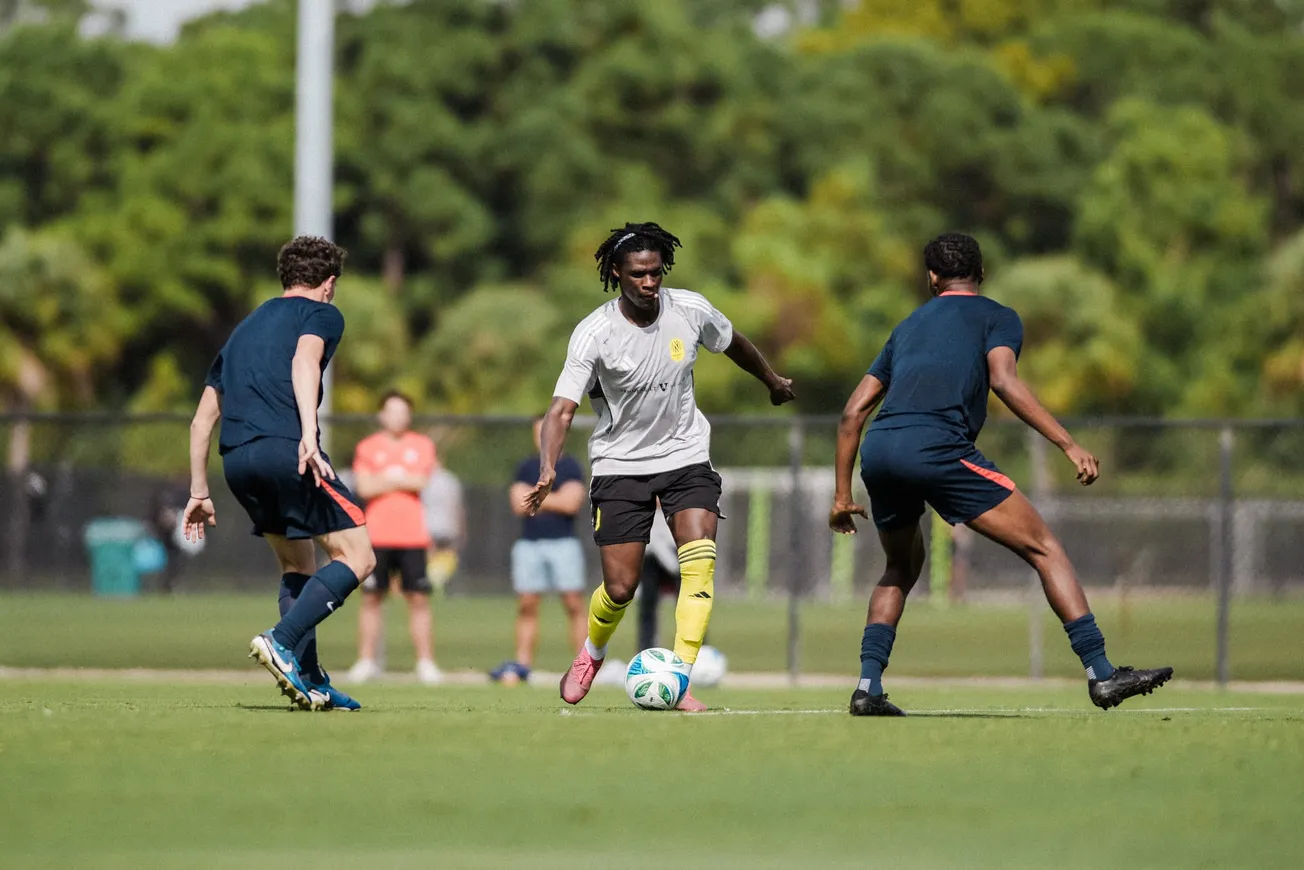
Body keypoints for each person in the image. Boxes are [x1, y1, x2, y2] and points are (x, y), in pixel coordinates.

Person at [828, 232, 1173, 716]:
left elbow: (851, 415)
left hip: (881, 451)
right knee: (1045, 548)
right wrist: (1067, 443)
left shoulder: (906, 328)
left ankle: (868, 687)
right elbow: (1004, 381)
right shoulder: (998, 316)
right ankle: (1101, 674)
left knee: (900, 567)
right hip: (937, 447)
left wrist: (842, 495)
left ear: (931, 278)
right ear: (981, 273)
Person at [523, 221, 795, 712]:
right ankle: (592, 652)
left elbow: (733, 341)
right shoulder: (595, 332)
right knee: (621, 587)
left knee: (699, 561)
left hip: (686, 454)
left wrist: (772, 380)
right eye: (638, 275)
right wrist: (548, 468)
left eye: (655, 273)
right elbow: (561, 409)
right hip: (619, 463)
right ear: (616, 273)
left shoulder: (689, 310)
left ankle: (680, 677)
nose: (649, 283)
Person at [184, 235, 375, 712]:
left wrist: (198, 489)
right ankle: (281, 641)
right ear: (329, 284)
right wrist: (309, 434)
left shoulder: (243, 330)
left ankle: (309, 679)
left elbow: (202, 419)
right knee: (359, 556)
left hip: (237, 462)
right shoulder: (322, 314)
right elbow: (305, 361)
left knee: (297, 565)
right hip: (285, 451)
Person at [347, 392, 442, 685]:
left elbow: (421, 480)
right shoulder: (367, 447)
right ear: (382, 415)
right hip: (377, 535)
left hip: (413, 536)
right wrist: (398, 478)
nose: (398, 416)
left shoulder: (422, 445)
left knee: (418, 599)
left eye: (403, 411)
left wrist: (386, 479)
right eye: (392, 411)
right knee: (372, 598)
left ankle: (425, 663)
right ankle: (366, 661)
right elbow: (364, 486)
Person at [491, 416, 588, 685]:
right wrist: (554, 498)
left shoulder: (571, 466)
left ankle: (583, 666)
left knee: (573, 603)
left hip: (564, 544)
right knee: (527, 604)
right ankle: (523, 664)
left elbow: (572, 503)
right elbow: (518, 504)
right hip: (529, 545)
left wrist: (538, 498)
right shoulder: (525, 467)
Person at [637, 507, 681, 652]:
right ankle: (646, 649)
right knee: (647, 604)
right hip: (651, 546)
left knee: (687, 601)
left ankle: (697, 650)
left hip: (676, 543)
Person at [421, 460, 465, 592]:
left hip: (426, 525)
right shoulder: (450, 480)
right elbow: (457, 507)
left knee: (428, 557)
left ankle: (431, 582)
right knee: (449, 556)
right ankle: (441, 583)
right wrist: (460, 528)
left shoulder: (421, 477)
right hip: (447, 526)